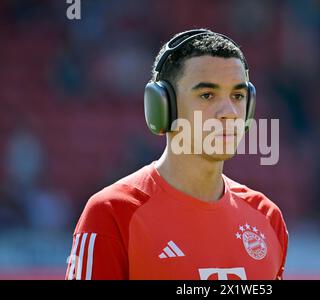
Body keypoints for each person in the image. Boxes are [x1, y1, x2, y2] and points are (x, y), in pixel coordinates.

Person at [65, 29, 288, 280]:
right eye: (207, 95)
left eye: (237, 96)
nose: (229, 112)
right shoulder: (112, 213)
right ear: (163, 107)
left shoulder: (268, 218)